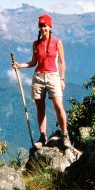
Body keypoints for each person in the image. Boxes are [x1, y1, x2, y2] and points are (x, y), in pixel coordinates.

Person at [11, 13, 71, 149]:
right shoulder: (36, 43)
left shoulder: (57, 42)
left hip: (53, 76)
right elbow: (33, 62)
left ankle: (65, 134)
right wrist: (20, 65)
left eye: (45, 26)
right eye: (41, 26)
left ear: (50, 27)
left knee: (58, 106)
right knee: (40, 108)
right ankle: (42, 136)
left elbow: (61, 62)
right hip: (38, 76)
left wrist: (62, 78)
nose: (43, 28)